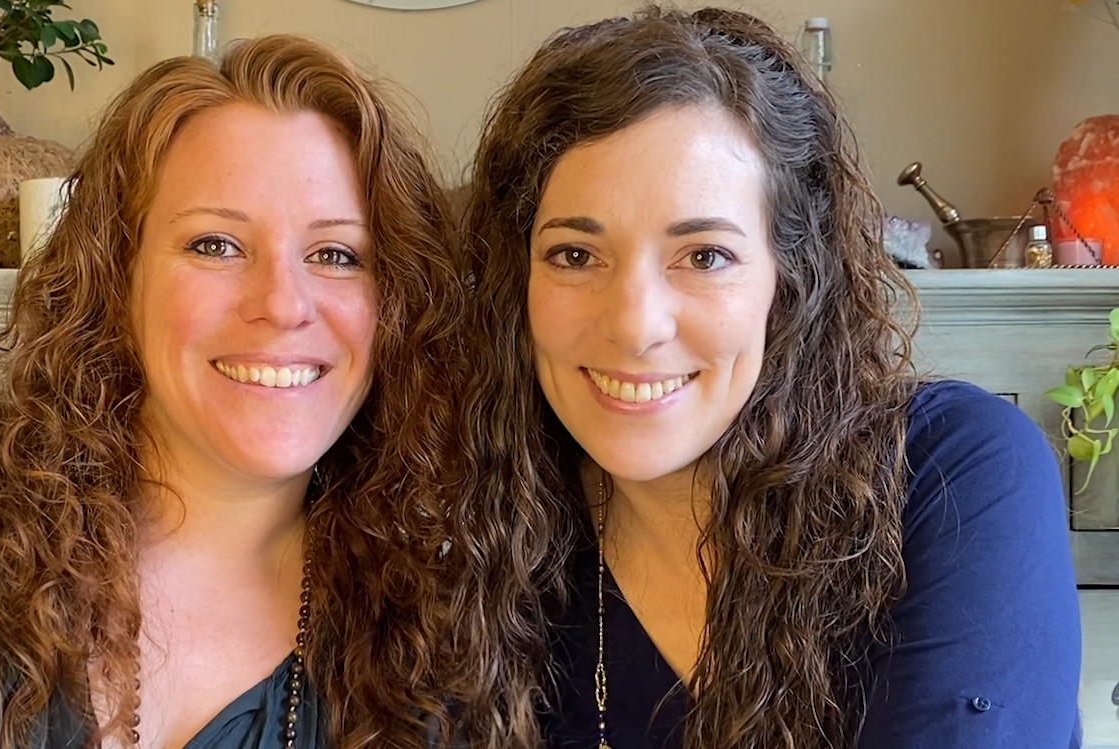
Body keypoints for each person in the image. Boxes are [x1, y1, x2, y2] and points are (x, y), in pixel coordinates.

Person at [0, 37, 467, 749]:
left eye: (336, 254)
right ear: (118, 274)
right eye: (215, 245)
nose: (283, 304)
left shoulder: (428, 654)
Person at [452, 7, 1083, 749]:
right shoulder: (496, 549)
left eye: (705, 256)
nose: (634, 324)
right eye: (575, 255)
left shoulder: (954, 475)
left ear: (792, 280)